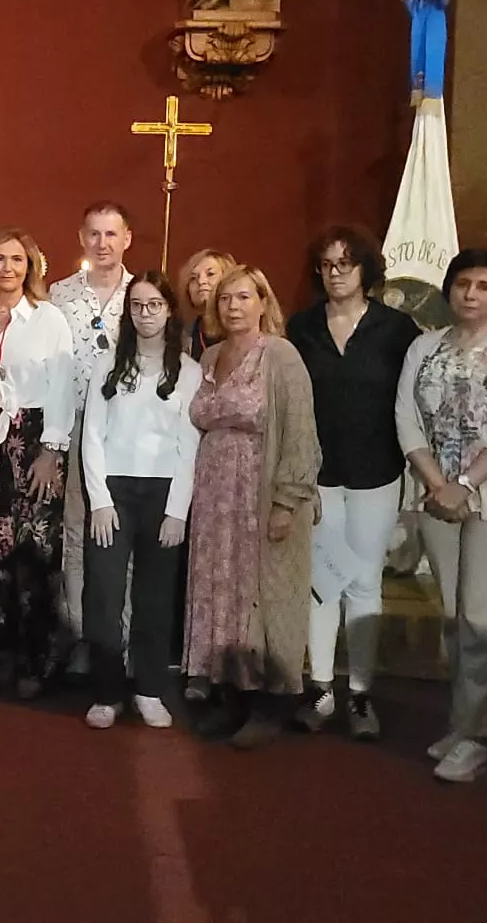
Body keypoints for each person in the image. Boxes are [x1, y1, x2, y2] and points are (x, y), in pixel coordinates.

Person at [396, 249, 487, 783]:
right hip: (438, 498)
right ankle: (462, 726)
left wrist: (465, 482)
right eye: (462, 284)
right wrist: (438, 484)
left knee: (484, 620)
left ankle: (476, 738)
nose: (471, 294)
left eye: (483, 286)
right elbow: (406, 418)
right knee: (458, 621)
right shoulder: (423, 347)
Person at [286, 225, 419, 740]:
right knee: (322, 583)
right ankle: (319, 690)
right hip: (318, 476)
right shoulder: (301, 328)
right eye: (326, 264)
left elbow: (410, 403)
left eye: (345, 263)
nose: (335, 273)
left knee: (364, 583)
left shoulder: (397, 329)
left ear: (366, 270)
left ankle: (361, 695)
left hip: (376, 474)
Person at [184, 264, 320, 749]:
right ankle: (231, 696)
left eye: (243, 297)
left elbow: (302, 433)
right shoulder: (211, 356)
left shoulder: (280, 356)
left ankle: (269, 703)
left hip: (259, 495)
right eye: (225, 298)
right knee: (221, 595)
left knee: (263, 598)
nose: (233, 306)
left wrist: (287, 501)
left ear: (264, 302)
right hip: (215, 498)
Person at [79, 271, 198, 731]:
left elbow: (189, 446)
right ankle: (106, 693)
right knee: (105, 594)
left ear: (169, 310)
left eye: (154, 305)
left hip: (163, 493)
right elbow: (92, 436)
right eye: (137, 306)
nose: (145, 314)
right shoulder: (107, 365)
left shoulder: (188, 371)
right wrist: (100, 500)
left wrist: (177, 510)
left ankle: (149, 688)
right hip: (114, 492)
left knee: (155, 596)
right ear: (127, 313)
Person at [0, 226, 74, 699]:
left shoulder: (48, 318)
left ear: (31, 267)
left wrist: (52, 451)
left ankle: (37, 661)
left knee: (36, 554)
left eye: (17, 260)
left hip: (35, 443)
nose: (7, 269)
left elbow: (63, 385)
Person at [49, 202, 136, 678]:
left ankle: (119, 638)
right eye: (94, 234)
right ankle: (82, 634)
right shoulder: (60, 296)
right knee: (76, 534)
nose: (102, 244)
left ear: (127, 239)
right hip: (73, 422)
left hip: (127, 429)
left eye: (111, 234)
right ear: (81, 238)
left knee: (120, 532)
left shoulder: (141, 294)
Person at [176, 247, 236, 359]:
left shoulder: (240, 330)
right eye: (193, 278)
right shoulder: (183, 336)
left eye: (210, 274)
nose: (201, 281)